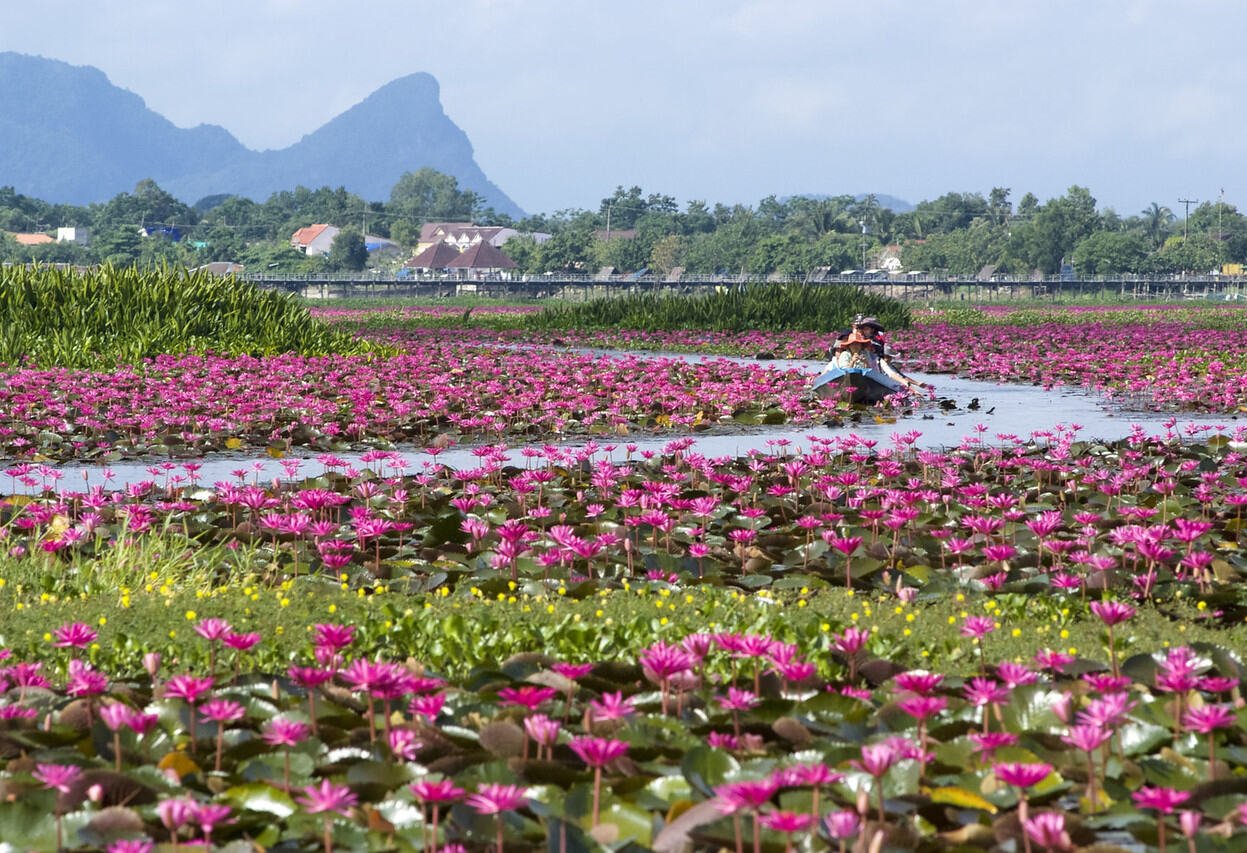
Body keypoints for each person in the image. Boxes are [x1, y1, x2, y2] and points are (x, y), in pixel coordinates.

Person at [830, 315, 930, 392]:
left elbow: (881, 370)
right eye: (858, 326)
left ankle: (914, 384)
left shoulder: (872, 346)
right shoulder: (845, 336)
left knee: (893, 372)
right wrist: (848, 362)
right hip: (843, 364)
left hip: (871, 366)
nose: (860, 330)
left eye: (863, 328)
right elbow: (838, 354)